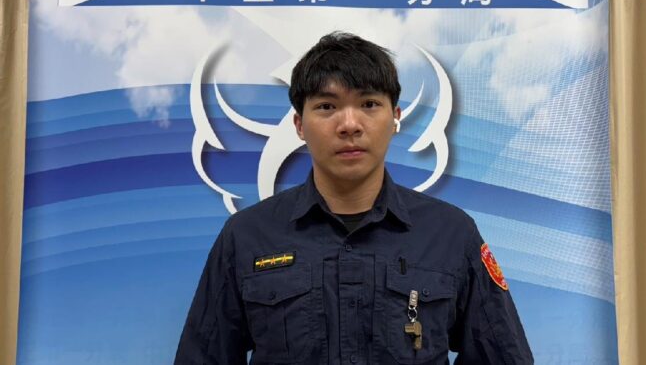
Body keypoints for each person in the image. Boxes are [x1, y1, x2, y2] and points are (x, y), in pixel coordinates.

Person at [175, 32, 533, 364]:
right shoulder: (247, 236)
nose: (349, 124)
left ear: (395, 118)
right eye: (327, 107)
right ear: (299, 125)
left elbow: (503, 358)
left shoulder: (451, 233)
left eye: (369, 104)